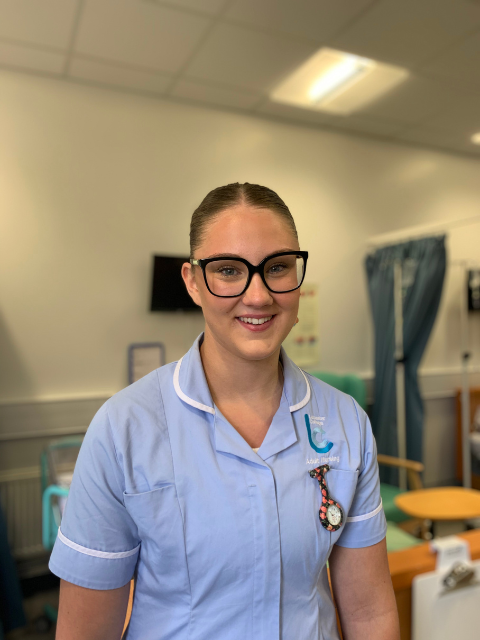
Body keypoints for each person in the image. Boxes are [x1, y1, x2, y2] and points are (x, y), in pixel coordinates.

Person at [50, 183, 400, 640]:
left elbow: (370, 613)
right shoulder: (124, 430)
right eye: (229, 270)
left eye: (276, 267)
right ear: (192, 282)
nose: (257, 296)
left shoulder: (346, 422)